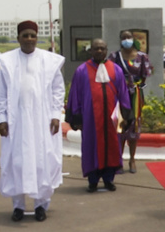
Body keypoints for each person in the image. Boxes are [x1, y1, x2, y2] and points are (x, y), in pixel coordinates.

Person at [0, 21, 65, 222]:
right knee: (17, 162)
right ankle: (18, 206)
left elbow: (58, 90)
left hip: (42, 121)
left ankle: (41, 205)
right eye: (25, 35)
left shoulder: (49, 61)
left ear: (37, 37)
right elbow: (0, 94)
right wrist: (2, 119)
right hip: (17, 123)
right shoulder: (8, 62)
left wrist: (55, 115)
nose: (29, 39)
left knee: (42, 162)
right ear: (18, 38)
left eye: (32, 35)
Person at [66, 38, 132, 192]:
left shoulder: (116, 69)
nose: (100, 51)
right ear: (91, 51)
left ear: (107, 50)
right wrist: (76, 117)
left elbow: (123, 93)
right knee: (91, 146)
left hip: (112, 118)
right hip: (90, 118)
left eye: (103, 48)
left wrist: (126, 115)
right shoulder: (82, 71)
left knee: (112, 146)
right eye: (96, 48)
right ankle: (93, 180)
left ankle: (109, 180)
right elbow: (75, 95)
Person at [108, 30, 154, 173]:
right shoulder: (114, 56)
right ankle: (118, 160)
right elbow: (110, 74)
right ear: (120, 40)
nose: (126, 40)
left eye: (128, 37)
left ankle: (132, 159)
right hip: (119, 97)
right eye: (123, 38)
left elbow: (146, 75)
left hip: (135, 96)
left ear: (132, 39)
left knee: (134, 128)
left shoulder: (142, 57)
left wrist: (138, 86)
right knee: (120, 127)